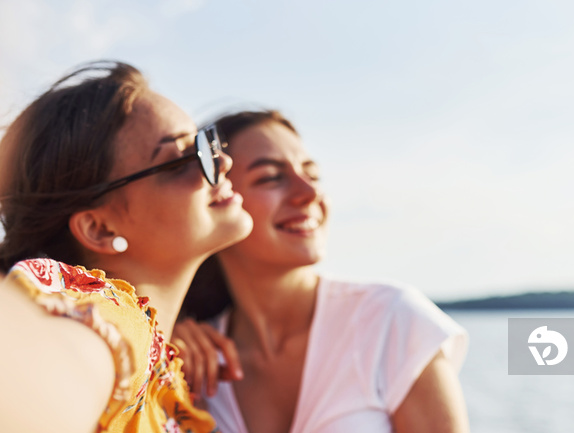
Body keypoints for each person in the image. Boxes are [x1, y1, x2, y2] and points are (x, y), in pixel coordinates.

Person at [173, 110, 470, 433]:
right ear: (219, 200)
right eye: (271, 177)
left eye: (312, 175)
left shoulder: (391, 321)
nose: (309, 193)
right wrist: (163, 351)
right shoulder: (191, 362)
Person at [0, 61, 253, 433]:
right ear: (100, 228)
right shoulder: (111, 319)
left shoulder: (164, 358)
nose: (223, 161)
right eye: (184, 158)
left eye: (205, 143)